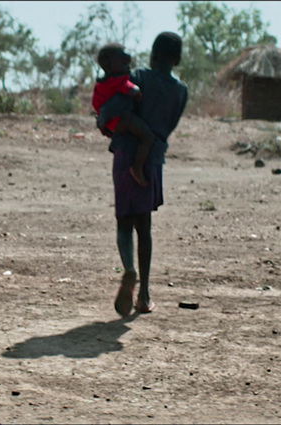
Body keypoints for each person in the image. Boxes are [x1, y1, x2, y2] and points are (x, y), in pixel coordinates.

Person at [95, 32, 188, 317]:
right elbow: (169, 125)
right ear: (177, 58)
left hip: (125, 152)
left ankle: (129, 269)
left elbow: (117, 106)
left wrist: (103, 120)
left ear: (154, 53)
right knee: (144, 226)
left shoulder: (138, 78)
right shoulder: (181, 90)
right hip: (153, 158)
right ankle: (144, 294)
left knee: (124, 222)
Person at [90, 43, 156, 187]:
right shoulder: (119, 80)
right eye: (123, 62)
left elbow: (95, 103)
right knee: (147, 137)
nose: (127, 66)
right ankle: (137, 167)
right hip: (123, 120)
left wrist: (103, 119)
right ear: (109, 66)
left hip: (110, 123)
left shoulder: (100, 84)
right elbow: (132, 90)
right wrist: (137, 91)